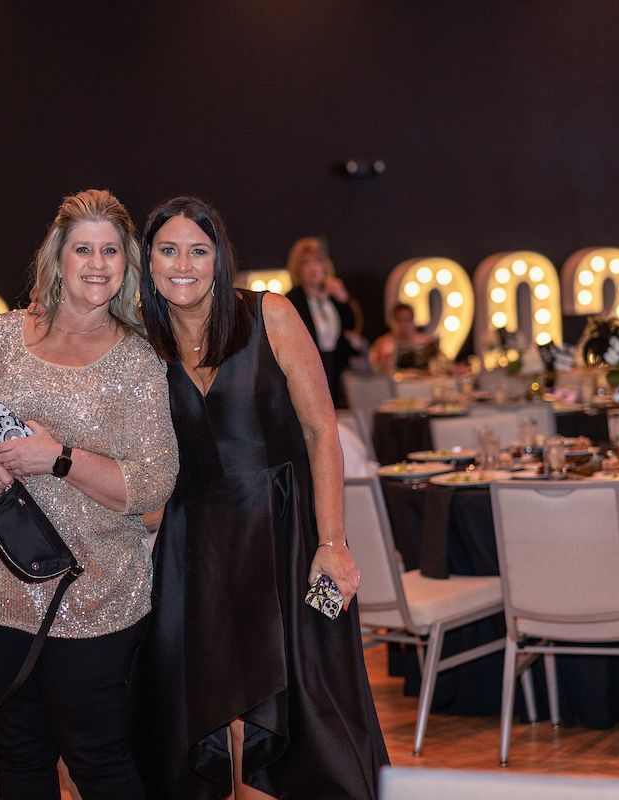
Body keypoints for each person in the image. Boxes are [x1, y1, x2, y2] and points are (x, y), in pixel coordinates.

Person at [129, 196, 388, 799]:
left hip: (286, 532)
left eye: (199, 250)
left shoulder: (271, 314)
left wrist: (333, 543)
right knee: (207, 703)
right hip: (194, 544)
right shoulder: (140, 341)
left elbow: (323, 430)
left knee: (303, 700)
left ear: (220, 259)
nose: (184, 264)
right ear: (150, 262)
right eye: (169, 250)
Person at [0, 189, 178, 800]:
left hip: (93, 597)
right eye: (83, 249)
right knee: (19, 758)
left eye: (111, 250)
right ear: (57, 259)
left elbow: (152, 483)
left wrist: (59, 459)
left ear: (127, 264)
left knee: (97, 760)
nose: (97, 263)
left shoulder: (140, 362)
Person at [283, 236, 364, 407]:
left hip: (336, 367)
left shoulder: (332, 296)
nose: (313, 268)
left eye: (317, 262)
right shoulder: (293, 300)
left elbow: (350, 327)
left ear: (325, 266)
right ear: (297, 269)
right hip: (309, 369)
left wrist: (344, 299)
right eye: (306, 263)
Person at [369, 302, 440, 373]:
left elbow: (442, 366)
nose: (404, 325)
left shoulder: (427, 342)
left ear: (413, 322)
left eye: (407, 320)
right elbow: (371, 370)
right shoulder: (382, 345)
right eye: (399, 321)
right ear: (391, 322)